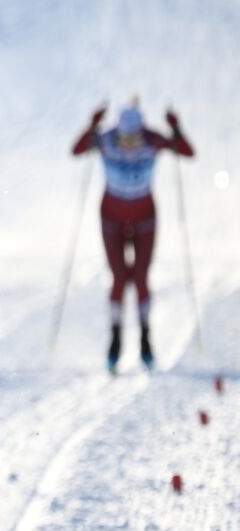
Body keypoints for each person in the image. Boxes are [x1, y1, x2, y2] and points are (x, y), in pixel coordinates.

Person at [71, 103, 193, 371]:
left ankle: (146, 341)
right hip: (111, 218)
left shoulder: (153, 140)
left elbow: (187, 152)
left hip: (144, 219)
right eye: (124, 139)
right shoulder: (106, 140)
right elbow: (77, 150)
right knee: (118, 278)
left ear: (141, 131)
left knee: (140, 278)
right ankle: (115, 342)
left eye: (134, 138)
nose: (129, 145)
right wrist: (92, 124)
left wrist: (175, 127)